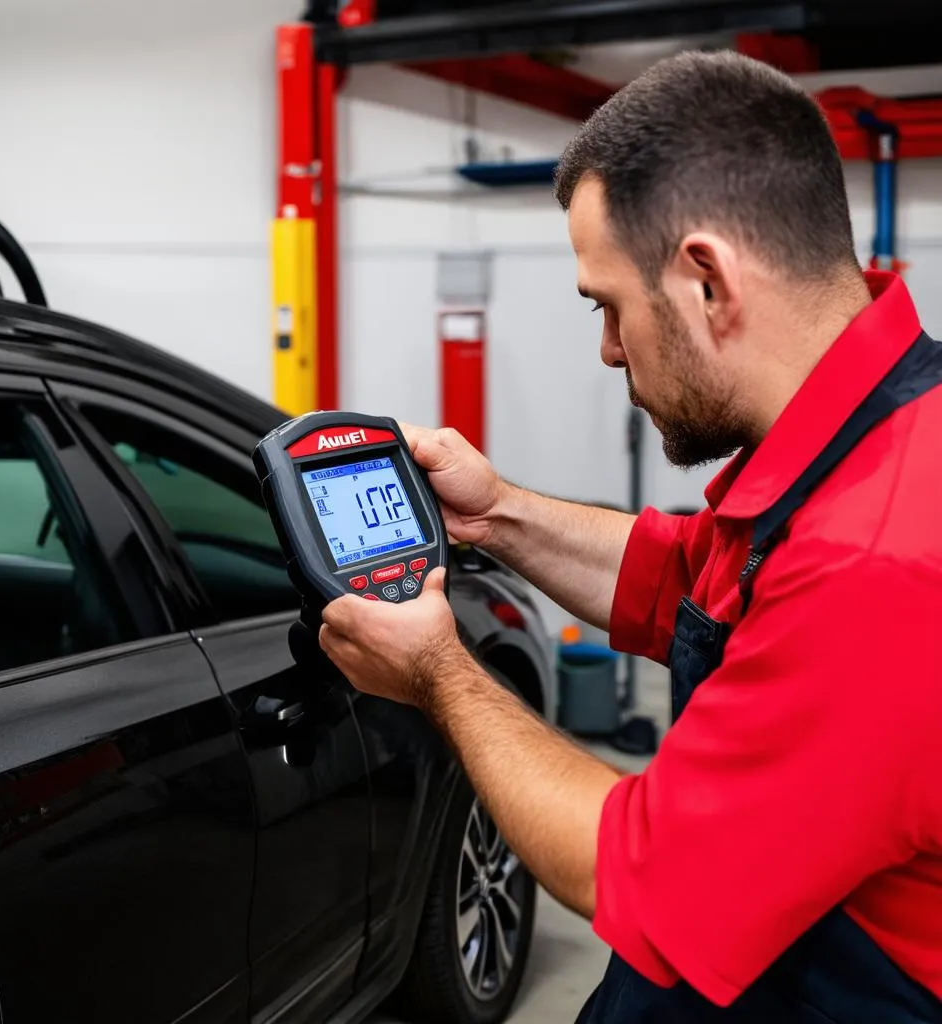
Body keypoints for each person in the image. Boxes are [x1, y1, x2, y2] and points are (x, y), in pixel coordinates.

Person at [318, 50, 942, 1023]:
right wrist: (494, 514)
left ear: (706, 281)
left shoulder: (874, 562)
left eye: (608, 307)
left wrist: (437, 671)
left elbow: (635, 872)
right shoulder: (876, 436)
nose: (608, 347)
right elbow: (682, 574)